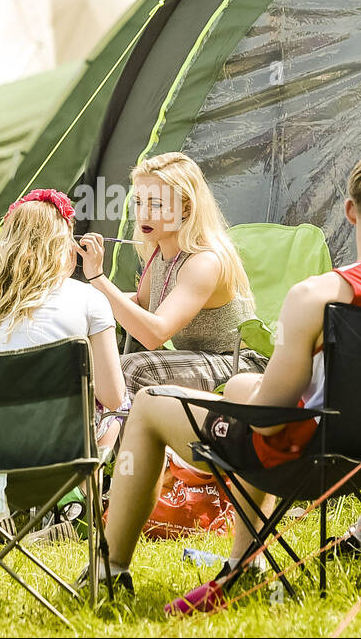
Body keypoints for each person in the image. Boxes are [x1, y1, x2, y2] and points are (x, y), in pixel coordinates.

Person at [93, 150, 361, 601]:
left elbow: (269, 421)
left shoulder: (316, 295)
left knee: (152, 401)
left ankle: (109, 572)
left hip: (309, 460)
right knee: (243, 387)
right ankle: (242, 564)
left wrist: (239, 396)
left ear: (350, 210)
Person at [76, 152, 267, 443]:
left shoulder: (204, 261)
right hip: (198, 360)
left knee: (132, 367)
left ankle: (116, 463)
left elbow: (154, 333)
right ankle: (87, 457)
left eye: (157, 204)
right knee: (93, 359)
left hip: (237, 365)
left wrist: (99, 280)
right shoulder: (162, 252)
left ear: (186, 209)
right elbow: (138, 304)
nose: (144, 214)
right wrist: (76, 300)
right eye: (139, 202)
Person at [0, 189, 128, 424]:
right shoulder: (90, 298)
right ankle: (102, 459)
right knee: (119, 411)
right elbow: (113, 398)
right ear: (66, 246)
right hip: (59, 444)